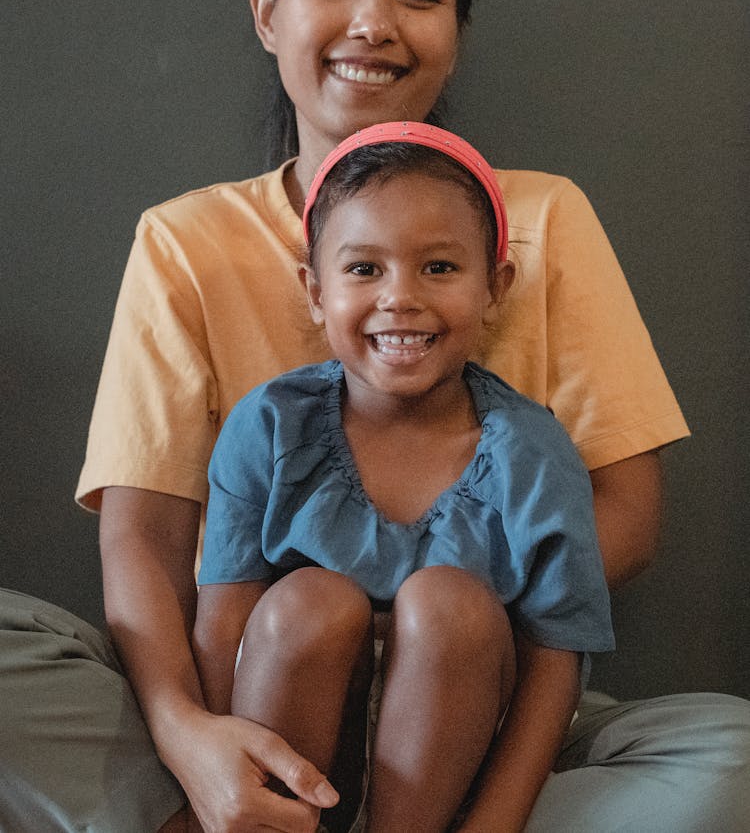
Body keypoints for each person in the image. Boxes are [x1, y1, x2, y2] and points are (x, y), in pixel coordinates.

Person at [0, 0, 747, 833]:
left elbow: (625, 515)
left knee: (730, 758)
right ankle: (238, 802)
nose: (372, 23)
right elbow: (145, 533)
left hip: (484, 681)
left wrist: (434, 620)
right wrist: (190, 735)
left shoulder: (544, 221)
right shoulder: (187, 243)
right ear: (268, 11)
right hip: (244, 681)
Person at [192, 120, 617, 833]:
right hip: (298, 733)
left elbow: (554, 667)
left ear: (494, 286)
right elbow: (222, 625)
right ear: (315, 290)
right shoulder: (268, 427)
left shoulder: (532, 452)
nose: (401, 297)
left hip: (455, 749)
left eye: (440, 268)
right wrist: (212, 776)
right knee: (310, 603)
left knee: (448, 601)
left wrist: (496, 822)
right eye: (364, 269)